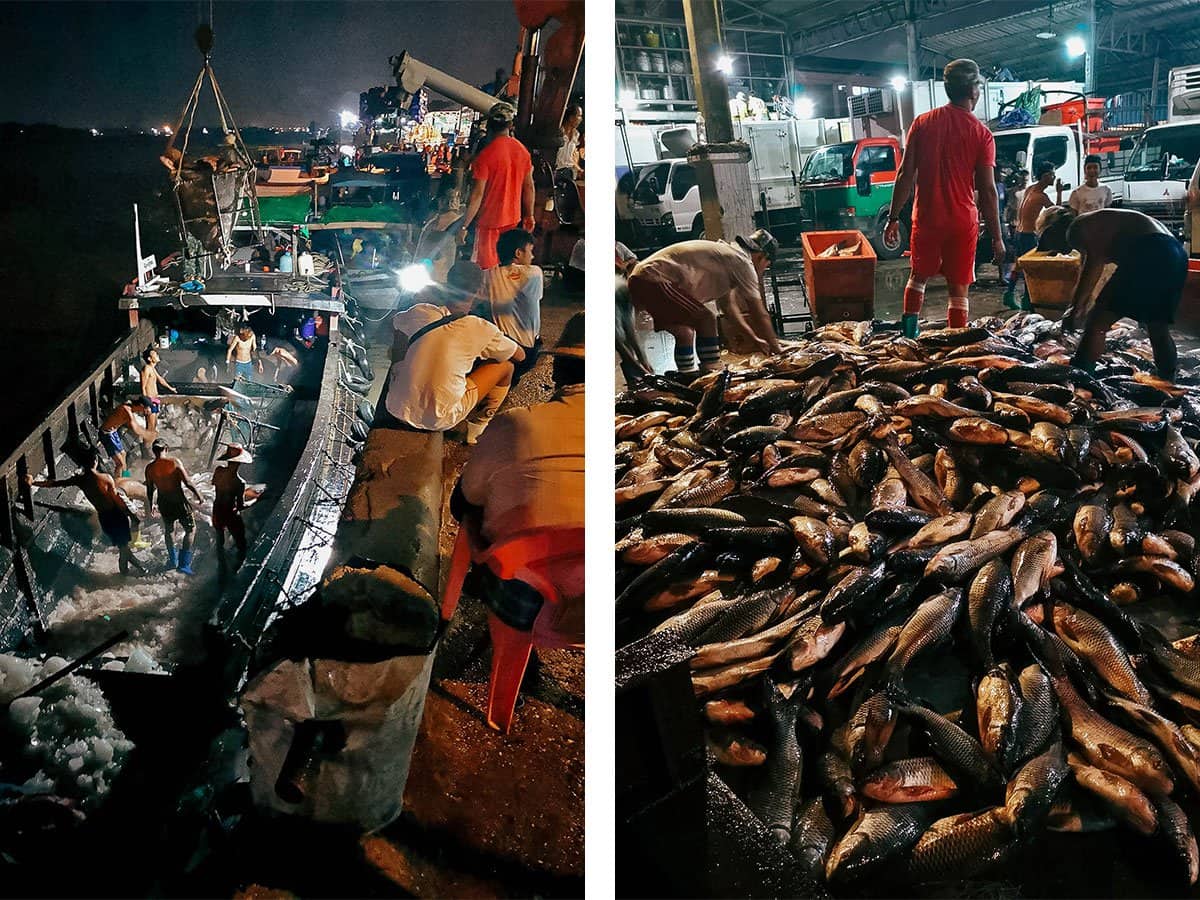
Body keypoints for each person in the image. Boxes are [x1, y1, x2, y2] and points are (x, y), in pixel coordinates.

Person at [454, 312, 585, 639]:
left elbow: (466, 500)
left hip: (523, 603)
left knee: (474, 507)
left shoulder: (515, 422)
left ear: (556, 371)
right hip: (617, 600)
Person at [884, 58, 1005, 336]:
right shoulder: (982, 134)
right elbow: (987, 191)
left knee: (917, 277)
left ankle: (908, 337)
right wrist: (997, 237)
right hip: (962, 222)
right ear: (974, 91)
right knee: (958, 288)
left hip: (926, 217)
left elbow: (905, 175)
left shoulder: (922, 123)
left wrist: (892, 218)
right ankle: (954, 346)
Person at [382, 261, 525, 444]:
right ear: (480, 290)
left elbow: (391, 324)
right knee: (506, 366)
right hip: (441, 419)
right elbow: (520, 356)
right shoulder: (480, 328)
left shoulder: (422, 311)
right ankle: (478, 427)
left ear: (446, 284)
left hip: (396, 407)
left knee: (410, 344)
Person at [1037, 206, 1186, 380]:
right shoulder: (1094, 222)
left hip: (1150, 249)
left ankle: (1081, 377)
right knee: (1157, 326)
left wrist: (1075, 308)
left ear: (1053, 231)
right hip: (1175, 253)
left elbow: (1093, 266)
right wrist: (1078, 306)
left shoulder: (1076, 228)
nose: (1058, 251)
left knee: (1097, 323)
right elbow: (1089, 269)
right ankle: (1168, 380)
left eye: (1050, 242)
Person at [627, 229, 782, 374]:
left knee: (684, 332)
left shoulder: (729, 257)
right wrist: (776, 347)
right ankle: (712, 371)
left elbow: (728, 308)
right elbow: (759, 313)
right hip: (652, 278)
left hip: (643, 277)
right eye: (766, 266)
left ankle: (687, 377)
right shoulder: (742, 262)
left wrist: (754, 338)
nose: (762, 270)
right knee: (706, 319)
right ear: (762, 256)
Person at [25, 449, 145, 575]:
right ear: (95, 461)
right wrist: (132, 515)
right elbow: (118, 499)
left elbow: (55, 484)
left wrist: (33, 482)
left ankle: (135, 571)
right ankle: (130, 573)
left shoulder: (80, 480)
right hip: (116, 515)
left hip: (104, 518)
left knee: (123, 548)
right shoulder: (106, 478)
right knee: (124, 549)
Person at [458, 103, 535, 270]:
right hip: (512, 221)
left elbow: (477, 195)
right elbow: (528, 187)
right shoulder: (522, 152)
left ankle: (490, 296)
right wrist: (529, 215)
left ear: (490, 125)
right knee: (507, 269)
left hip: (488, 224)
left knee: (486, 271)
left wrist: (464, 226)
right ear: (511, 126)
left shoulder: (485, 156)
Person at [486, 228, 544, 378]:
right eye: (530, 251)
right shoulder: (534, 273)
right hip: (526, 351)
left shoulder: (488, 275)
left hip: (502, 346)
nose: (532, 256)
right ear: (518, 253)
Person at [1005, 161, 1061, 310]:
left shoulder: (1030, 189)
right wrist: (1060, 192)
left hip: (1019, 232)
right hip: (1028, 236)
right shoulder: (1041, 196)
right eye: (1051, 174)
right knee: (1031, 268)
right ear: (1044, 176)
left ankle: (1009, 294)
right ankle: (1027, 300)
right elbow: (1057, 212)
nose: (1054, 177)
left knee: (1017, 266)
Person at [144, 438, 203, 574]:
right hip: (179, 502)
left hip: (164, 503)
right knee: (190, 529)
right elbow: (188, 482)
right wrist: (199, 495)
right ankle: (183, 564)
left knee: (170, 530)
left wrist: (151, 504)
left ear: (154, 451)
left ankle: (172, 560)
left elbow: (149, 489)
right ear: (166, 449)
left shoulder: (149, 468)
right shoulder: (174, 462)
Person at [212, 444, 253, 572]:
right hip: (230, 514)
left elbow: (214, 484)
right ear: (239, 463)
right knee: (241, 542)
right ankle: (237, 569)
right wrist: (256, 500)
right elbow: (241, 505)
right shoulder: (240, 482)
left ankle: (221, 566)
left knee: (220, 540)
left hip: (217, 510)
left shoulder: (218, 471)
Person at [99, 397, 153, 476]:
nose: (148, 410)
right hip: (106, 434)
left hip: (113, 432)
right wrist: (148, 435)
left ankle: (125, 476)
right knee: (119, 463)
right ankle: (118, 481)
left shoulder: (131, 409)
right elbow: (136, 428)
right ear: (141, 406)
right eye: (147, 407)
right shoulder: (126, 410)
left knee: (123, 454)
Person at [140, 347, 177, 436]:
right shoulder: (146, 369)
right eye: (155, 354)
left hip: (155, 400)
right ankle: (147, 447)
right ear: (149, 358)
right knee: (150, 427)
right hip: (150, 401)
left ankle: (150, 444)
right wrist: (147, 405)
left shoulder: (152, 368)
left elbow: (160, 379)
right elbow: (143, 387)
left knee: (154, 426)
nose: (157, 355)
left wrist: (170, 388)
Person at [556, 104, 583, 180]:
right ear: (571, 118)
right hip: (557, 173)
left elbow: (571, 158)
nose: (581, 119)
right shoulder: (559, 133)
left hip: (569, 174)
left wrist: (579, 170)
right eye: (579, 116)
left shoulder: (576, 135)